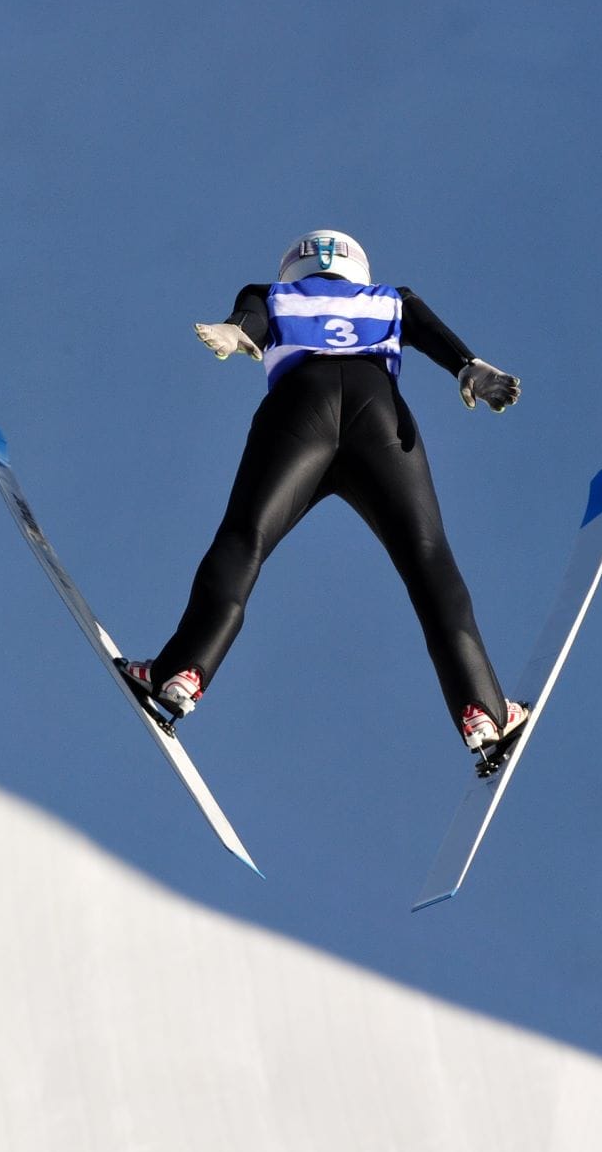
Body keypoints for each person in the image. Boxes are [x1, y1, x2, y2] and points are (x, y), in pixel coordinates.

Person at [118, 230, 527, 758]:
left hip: (298, 408)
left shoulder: (269, 292)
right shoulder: (391, 297)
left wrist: (235, 333)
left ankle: (182, 673)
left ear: (294, 264)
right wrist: (471, 367)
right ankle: (483, 711)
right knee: (428, 560)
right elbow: (435, 337)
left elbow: (249, 325)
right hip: (378, 413)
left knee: (247, 537)